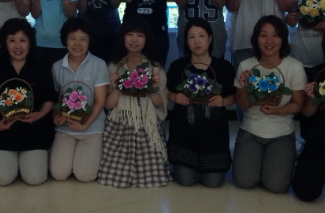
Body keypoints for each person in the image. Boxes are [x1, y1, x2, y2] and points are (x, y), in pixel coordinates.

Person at [233, 15, 306, 193]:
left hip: (282, 133)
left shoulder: (294, 67)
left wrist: (278, 110)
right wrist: (246, 87)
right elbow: (242, 105)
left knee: (277, 186)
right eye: (263, 35)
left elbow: (298, 104)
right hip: (250, 130)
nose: (269, 41)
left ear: (283, 39)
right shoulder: (246, 65)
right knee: (244, 181)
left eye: (275, 35)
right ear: (256, 38)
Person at [0, 18, 55, 186]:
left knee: (34, 179)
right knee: (2, 179)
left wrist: (40, 114)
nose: (18, 46)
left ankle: (30, 160)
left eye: (22, 40)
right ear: (5, 44)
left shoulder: (41, 68)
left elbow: (50, 99)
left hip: (34, 133)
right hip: (3, 134)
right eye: (12, 40)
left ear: (30, 43)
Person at [97, 16, 171, 188]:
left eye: (140, 35)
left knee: (154, 177)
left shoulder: (155, 68)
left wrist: (152, 88)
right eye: (130, 34)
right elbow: (108, 105)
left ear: (147, 39)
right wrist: (117, 87)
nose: (134, 40)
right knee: (113, 177)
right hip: (121, 123)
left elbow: (160, 104)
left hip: (147, 123)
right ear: (122, 37)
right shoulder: (113, 67)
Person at [167, 18, 235, 187]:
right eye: (191, 37)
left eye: (201, 36)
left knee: (213, 182)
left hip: (214, 136)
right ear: (186, 41)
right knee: (185, 180)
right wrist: (175, 97)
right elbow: (165, 92)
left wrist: (223, 101)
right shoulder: (178, 66)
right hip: (184, 134)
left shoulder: (223, 67)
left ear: (210, 38)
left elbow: (234, 96)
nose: (197, 41)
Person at [50, 17, 109, 182]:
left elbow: (100, 102)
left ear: (89, 41)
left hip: (92, 128)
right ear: (65, 40)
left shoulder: (99, 64)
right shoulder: (56, 67)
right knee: (58, 174)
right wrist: (56, 116)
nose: (77, 44)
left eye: (83, 39)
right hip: (66, 127)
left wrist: (85, 124)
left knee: (85, 176)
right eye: (73, 38)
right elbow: (57, 99)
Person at [291, 33, 325, 202]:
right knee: (305, 191)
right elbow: (306, 113)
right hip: (319, 137)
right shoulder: (317, 73)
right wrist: (312, 99)